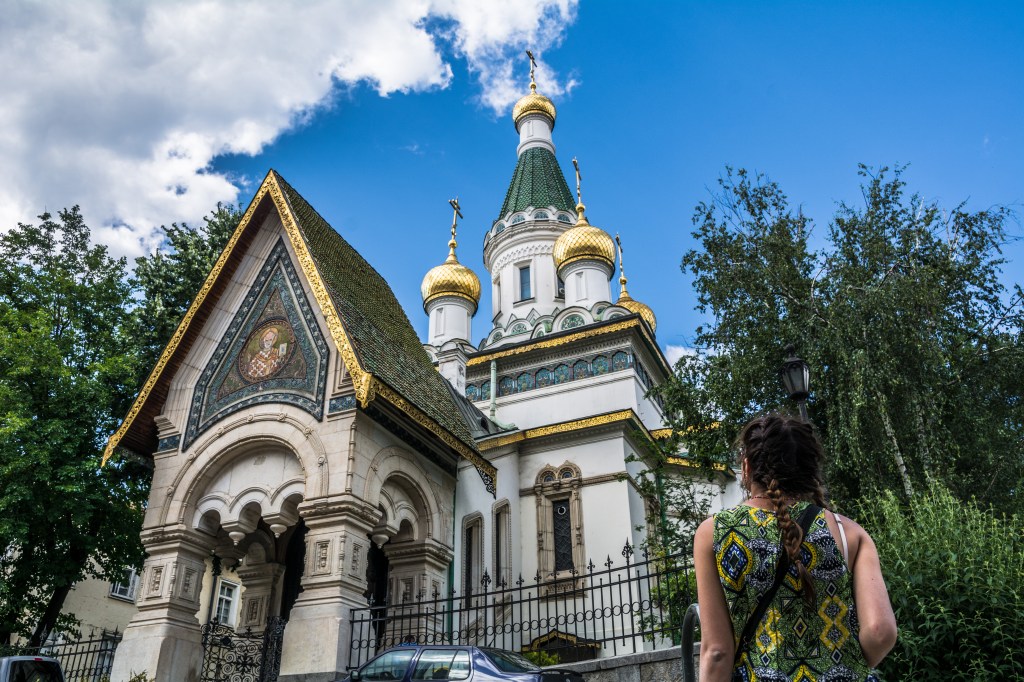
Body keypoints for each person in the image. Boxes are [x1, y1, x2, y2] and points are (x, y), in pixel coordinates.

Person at [694, 414, 897, 681]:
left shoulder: (713, 534)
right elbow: (881, 631)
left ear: (746, 469)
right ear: (810, 470)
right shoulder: (851, 533)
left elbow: (718, 652)